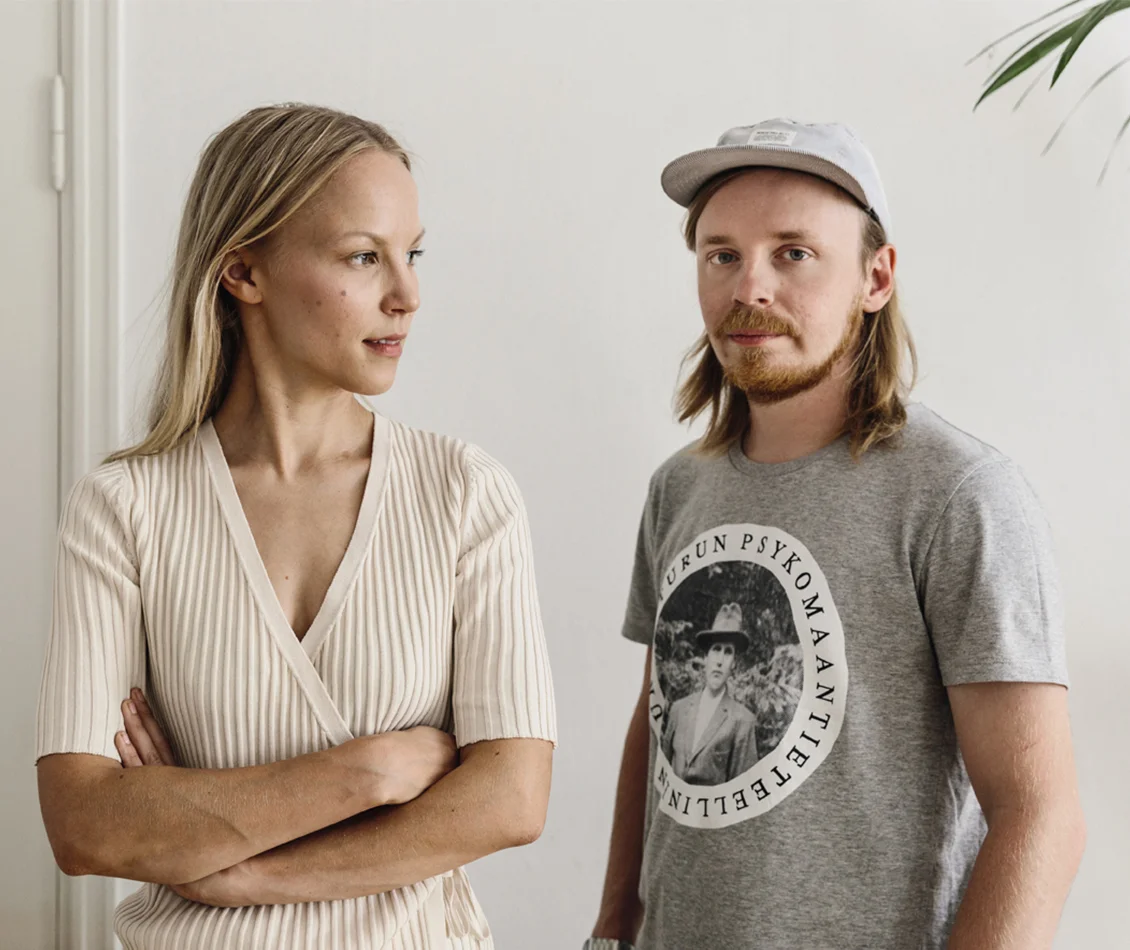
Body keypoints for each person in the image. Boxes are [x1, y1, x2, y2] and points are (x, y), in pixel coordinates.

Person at [35, 103, 556, 950]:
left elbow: (511, 799)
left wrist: (244, 873)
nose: (407, 295)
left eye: (413, 254)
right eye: (364, 256)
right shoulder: (124, 507)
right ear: (244, 272)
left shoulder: (465, 493)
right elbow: (85, 823)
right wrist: (369, 772)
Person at [587, 119, 1085, 950]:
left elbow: (1040, 814)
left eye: (793, 253)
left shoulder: (958, 494)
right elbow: (656, 724)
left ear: (876, 277)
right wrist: (612, 929)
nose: (750, 286)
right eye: (721, 255)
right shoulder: (680, 488)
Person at [660, 602, 759, 785]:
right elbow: (661, 774)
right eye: (716, 650)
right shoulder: (678, 709)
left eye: (728, 652)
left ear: (734, 664)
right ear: (706, 658)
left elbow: (742, 791)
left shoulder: (743, 721)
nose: (720, 661)